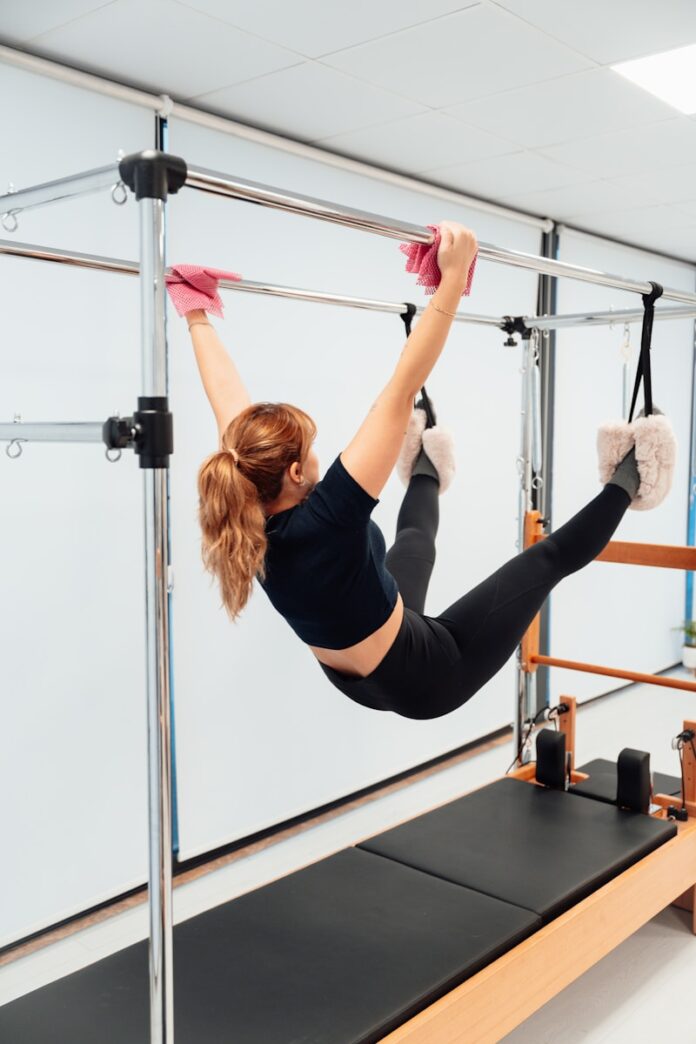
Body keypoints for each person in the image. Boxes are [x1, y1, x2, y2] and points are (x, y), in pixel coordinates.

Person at [185, 222, 670, 720]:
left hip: (362, 675)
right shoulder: (328, 516)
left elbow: (227, 403)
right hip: (435, 673)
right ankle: (635, 471)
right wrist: (453, 278)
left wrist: (194, 310)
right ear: (293, 473)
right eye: (309, 447)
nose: (317, 451)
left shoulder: (246, 504)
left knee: (414, 540)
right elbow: (402, 386)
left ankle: (427, 467)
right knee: (547, 559)